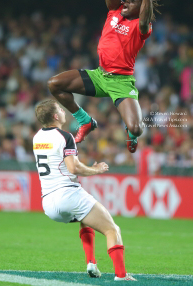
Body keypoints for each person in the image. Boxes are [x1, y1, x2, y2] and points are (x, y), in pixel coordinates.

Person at [48, 0, 162, 154]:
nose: (127, 1)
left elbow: (145, 18)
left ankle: (131, 133)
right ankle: (84, 120)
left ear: (141, 9)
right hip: (99, 76)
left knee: (136, 128)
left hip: (121, 82)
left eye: (134, 1)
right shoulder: (115, 10)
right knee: (54, 85)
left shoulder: (141, 26)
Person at [33, 99, 137, 281]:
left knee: (85, 219)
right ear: (56, 116)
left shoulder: (37, 138)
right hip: (68, 194)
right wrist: (96, 169)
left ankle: (91, 262)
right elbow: (73, 167)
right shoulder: (65, 136)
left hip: (48, 203)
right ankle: (121, 275)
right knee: (112, 230)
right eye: (61, 109)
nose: (65, 112)